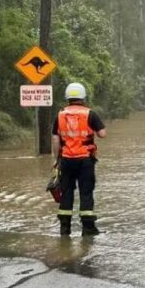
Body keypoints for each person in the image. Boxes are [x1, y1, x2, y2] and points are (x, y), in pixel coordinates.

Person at [52, 82, 107, 236]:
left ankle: (64, 229)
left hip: (67, 160)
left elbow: (55, 140)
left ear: (67, 97)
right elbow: (102, 134)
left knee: (66, 192)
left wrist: (57, 160)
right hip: (85, 161)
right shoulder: (90, 114)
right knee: (86, 193)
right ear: (83, 97)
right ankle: (88, 229)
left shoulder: (60, 115)